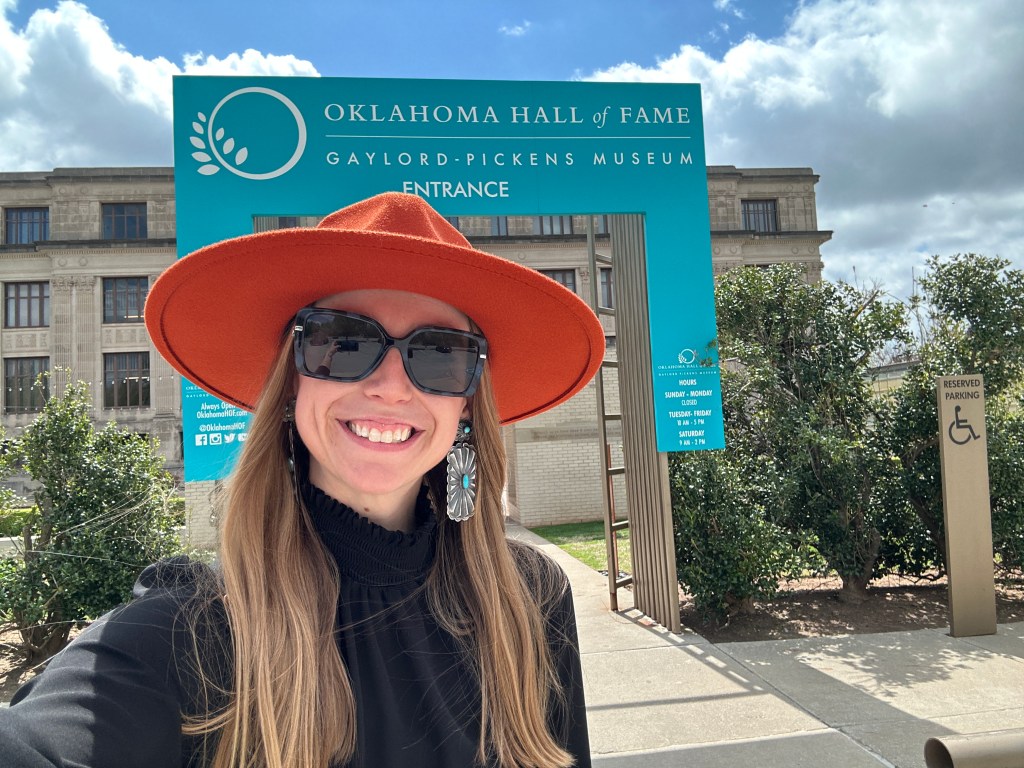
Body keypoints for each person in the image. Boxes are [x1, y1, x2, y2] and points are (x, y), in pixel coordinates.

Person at [0, 192, 603, 767]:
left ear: (468, 404)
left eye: (441, 354)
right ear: (292, 381)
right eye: (342, 342)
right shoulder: (190, 637)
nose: (391, 386)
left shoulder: (530, 601)